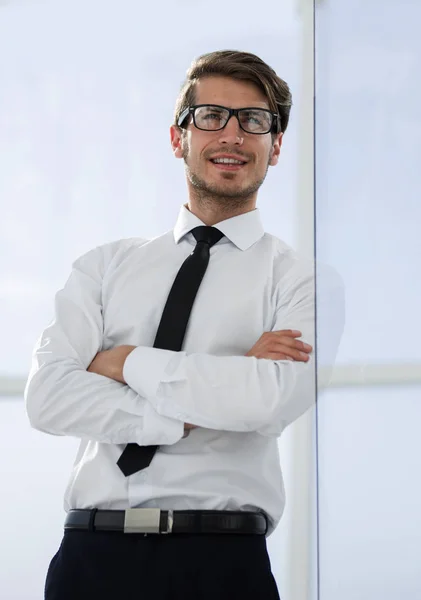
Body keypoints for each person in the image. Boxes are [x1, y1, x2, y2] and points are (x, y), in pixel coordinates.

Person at [24, 49, 343, 600]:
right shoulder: (103, 267)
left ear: (276, 147)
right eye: (211, 116)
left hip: (221, 564)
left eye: (255, 121)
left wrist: (125, 363)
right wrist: (220, 384)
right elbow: (49, 398)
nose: (233, 135)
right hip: (89, 559)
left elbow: (265, 402)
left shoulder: (305, 281)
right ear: (179, 139)